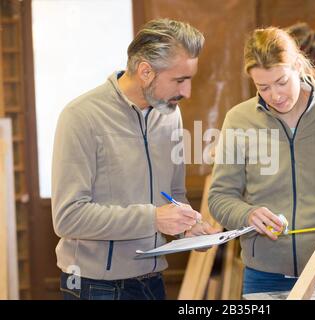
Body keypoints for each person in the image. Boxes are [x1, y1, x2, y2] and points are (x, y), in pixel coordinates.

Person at [52, 18, 218, 300]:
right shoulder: (81, 116)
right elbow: (68, 217)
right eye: (179, 80)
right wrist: (153, 218)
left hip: (153, 282)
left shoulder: (170, 114)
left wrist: (188, 227)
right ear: (145, 71)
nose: (187, 92)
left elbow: (174, 194)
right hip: (95, 286)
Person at [208, 27, 315, 295]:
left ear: (298, 66)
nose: (275, 95)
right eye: (262, 87)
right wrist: (247, 214)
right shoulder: (238, 120)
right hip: (264, 275)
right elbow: (219, 197)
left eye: (282, 82)